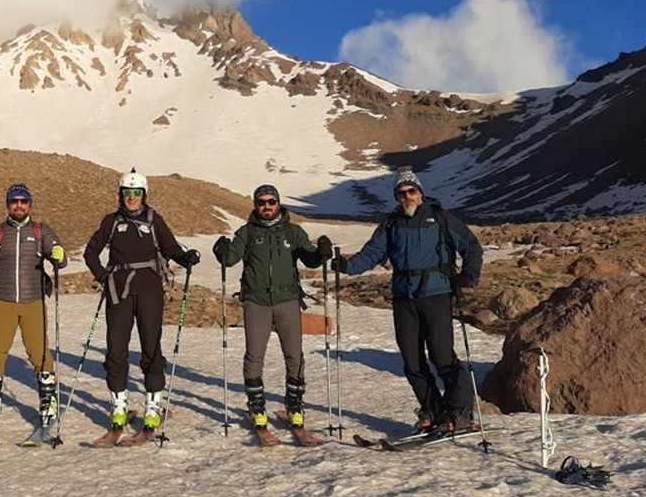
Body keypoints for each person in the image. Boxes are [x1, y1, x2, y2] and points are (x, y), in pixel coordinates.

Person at [333, 168, 484, 433]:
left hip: (436, 294)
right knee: (412, 362)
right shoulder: (391, 224)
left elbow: (471, 246)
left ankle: (460, 413)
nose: (407, 197)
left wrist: (468, 275)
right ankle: (434, 413)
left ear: (420, 192)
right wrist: (345, 266)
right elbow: (371, 254)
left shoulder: (440, 218)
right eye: (401, 193)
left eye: (411, 191)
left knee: (442, 357)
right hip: (404, 297)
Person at [83, 169, 200, 436]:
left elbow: (170, 248)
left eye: (137, 193)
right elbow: (91, 252)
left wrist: (186, 258)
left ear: (144, 195)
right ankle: (119, 404)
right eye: (127, 193)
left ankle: (153, 404)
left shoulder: (153, 219)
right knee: (115, 349)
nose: (132, 198)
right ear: (120, 195)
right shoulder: (111, 221)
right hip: (119, 292)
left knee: (151, 347)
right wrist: (103, 276)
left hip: (149, 291)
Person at [212, 184, 331, 433]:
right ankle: (256, 406)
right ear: (256, 206)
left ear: (278, 203)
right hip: (256, 301)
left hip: (287, 299)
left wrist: (321, 253)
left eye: (271, 201)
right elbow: (231, 258)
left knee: (294, 355)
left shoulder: (293, 231)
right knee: (254, 355)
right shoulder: (246, 232)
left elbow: (310, 258)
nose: (266, 206)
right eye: (261, 202)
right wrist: (221, 251)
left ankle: (294, 405)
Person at [0, 183, 68, 445]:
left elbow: (60, 258)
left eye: (23, 201)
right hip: (3, 302)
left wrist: (58, 254)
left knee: (41, 356)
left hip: (33, 302)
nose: (19, 205)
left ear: (30, 205)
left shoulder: (40, 230)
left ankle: (48, 413)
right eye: (14, 201)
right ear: (8, 205)